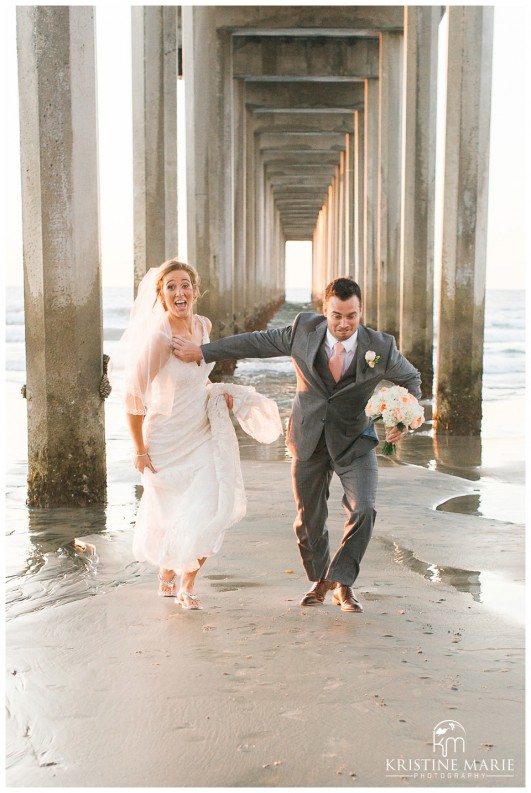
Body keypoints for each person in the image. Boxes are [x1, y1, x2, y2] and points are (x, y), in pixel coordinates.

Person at [172, 277, 422, 613]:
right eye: (336, 316)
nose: (344, 324)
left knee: (364, 509)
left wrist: (402, 420)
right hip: (308, 439)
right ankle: (319, 580)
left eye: (351, 316)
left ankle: (342, 584)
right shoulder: (303, 330)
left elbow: (411, 380)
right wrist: (203, 352)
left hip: (355, 441)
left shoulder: (381, 346)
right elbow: (255, 342)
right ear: (325, 310)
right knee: (308, 520)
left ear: (361, 310)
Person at [117, 259, 282, 610]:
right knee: (174, 512)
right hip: (166, 437)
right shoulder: (160, 338)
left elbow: (197, 378)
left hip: (202, 430)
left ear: (195, 290)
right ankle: (167, 569)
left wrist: (215, 393)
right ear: (161, 295)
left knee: (214, 504)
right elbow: (133, 396)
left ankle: (187, 582)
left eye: (185, 285)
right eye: (171, 287)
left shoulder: (203, 325)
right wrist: (139, 449)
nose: (179, 292)